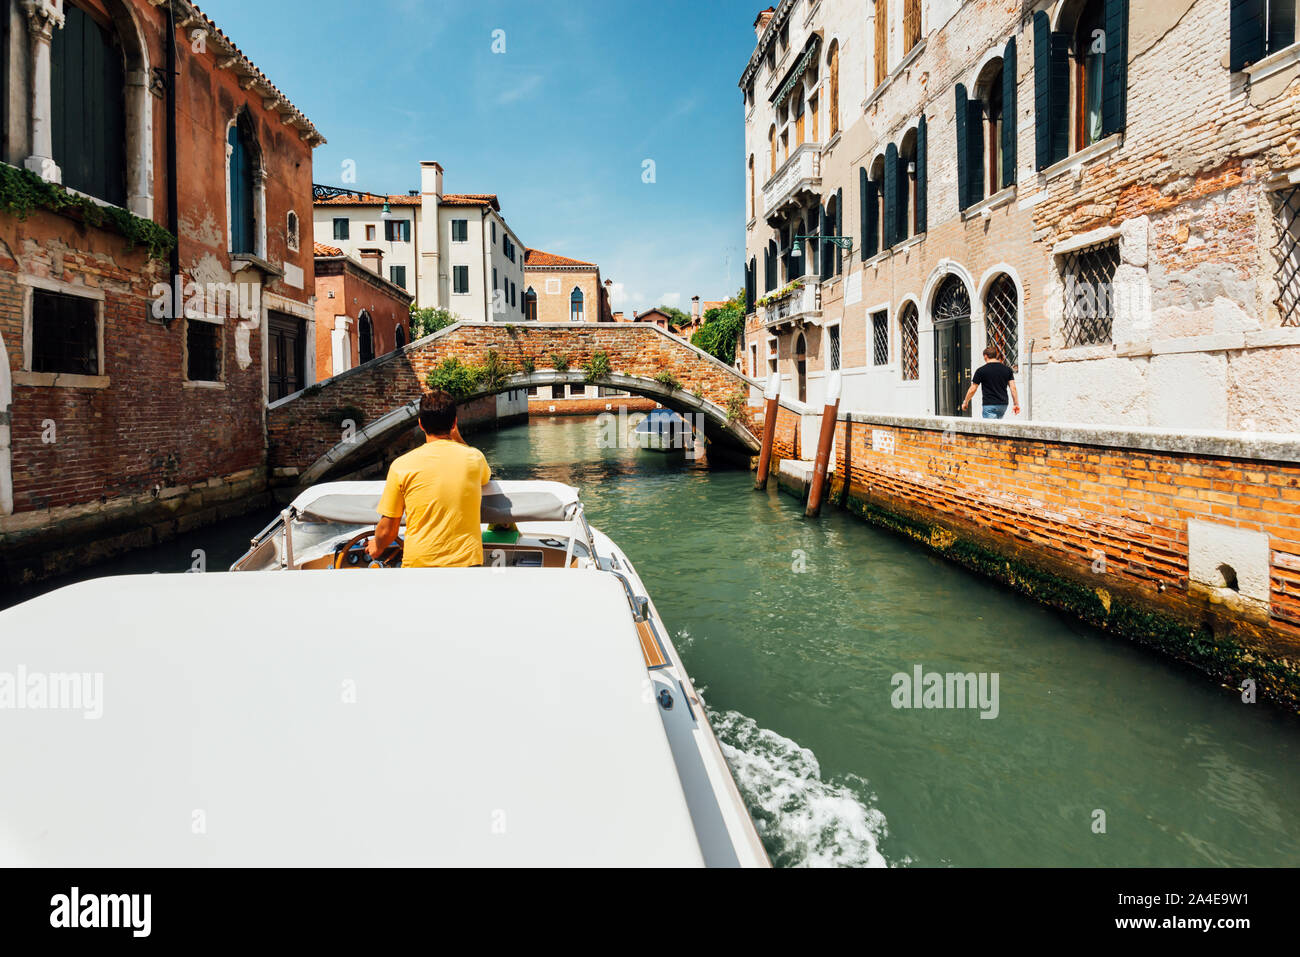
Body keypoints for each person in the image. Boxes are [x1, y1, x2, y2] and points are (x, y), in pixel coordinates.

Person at [366, 390, 491, 568]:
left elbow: (389, 529)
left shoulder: (401, 465)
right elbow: (484, 477)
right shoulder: (475, 458)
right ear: (454, 423)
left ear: (421, 425)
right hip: (467, 565)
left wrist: (376, 547)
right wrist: (456, 436)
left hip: (419, 565)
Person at [961, 346, 1021, 419]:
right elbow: (1013, 388)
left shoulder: (981, 370)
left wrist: (966, 402)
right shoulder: (1007, 370)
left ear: (985, 356)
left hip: (989, 405)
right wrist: (1016, 403)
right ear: (995, 355)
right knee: (997, 426)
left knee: (990, 429)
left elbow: (973, 389)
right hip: (1003, 405)